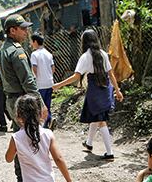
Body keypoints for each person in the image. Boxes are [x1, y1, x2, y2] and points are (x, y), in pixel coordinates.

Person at [0, 14, 60, 182]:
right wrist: (40, 103)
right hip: (23, 101)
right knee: (35, 139)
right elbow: (28, 81)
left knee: (22, 138)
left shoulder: (4, 50)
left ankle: (23, 181)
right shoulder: (17, 52)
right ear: (12, 30)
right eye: (23, 28)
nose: (26, 32)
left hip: (12, 100)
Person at [53, 29, 123, 160]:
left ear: (83, 42)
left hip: (94, 91)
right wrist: (117, 90)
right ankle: (89, 144)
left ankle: (110, 152)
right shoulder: (103, 54)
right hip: (105, 89)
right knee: (96, 117)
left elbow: (76, 76)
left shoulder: (85, 56)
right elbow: (111, 74)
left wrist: (59, 85)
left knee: (101, 120)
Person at [30, 34, 55, 128]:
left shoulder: (34, 54)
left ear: (35, 42)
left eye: (31, 42)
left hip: (40, 84)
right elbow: (53, 68)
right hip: (49, 82)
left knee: (40, 105)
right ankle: (49, 119)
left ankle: (43, 124)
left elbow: (34, 69)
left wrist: (35, 79)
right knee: (47, 104)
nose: (31, 44)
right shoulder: (48, 53)